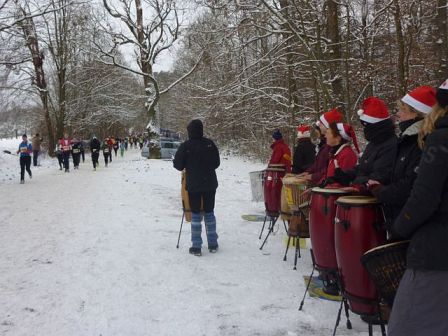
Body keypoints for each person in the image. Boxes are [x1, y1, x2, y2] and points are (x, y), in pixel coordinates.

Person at [387, 80, 448, 336]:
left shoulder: (441, 139)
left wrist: (400, 228)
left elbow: (424, 196)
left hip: (436, 251)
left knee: (408, 326)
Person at [369, 86, 437, 228]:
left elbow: (410, 185)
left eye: (403, 110)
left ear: (416, 114)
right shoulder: (406, 139)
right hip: (402, 218)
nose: (399, 115)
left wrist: (382, 192)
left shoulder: (422, 142)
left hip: (413, 224)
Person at [173, 119, 220, 256]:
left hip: (193, 185)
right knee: (209, 212)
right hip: (210, 184)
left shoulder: (186, 146)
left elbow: (178, 165)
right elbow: (216, 163)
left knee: (195, 214)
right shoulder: (210, 144)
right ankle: (212, 243)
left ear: (189, 132)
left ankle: (196, 246)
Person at [333, 97, 397, 189]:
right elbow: (362, 168)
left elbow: (378, 178)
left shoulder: (389, 145)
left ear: (376, 125)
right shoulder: (374, 143)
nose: (365, 129)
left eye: (366, 125)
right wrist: (344, 175)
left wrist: (353, 183)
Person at [299, 108, 344, 184]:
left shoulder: (331, 146)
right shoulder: (325, 145)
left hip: (324, 184)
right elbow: (317, 164)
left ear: (328, 127)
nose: (318, 124)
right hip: (319, 181)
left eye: (321, 123)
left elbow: (327, 169)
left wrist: (313, 176)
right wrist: (308, 172)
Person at [319, 123, 359, 188]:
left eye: (328, 133)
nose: (325, 136)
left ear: (338, 138)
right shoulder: (335, 153)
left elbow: (344, 182)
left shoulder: (347, 154)